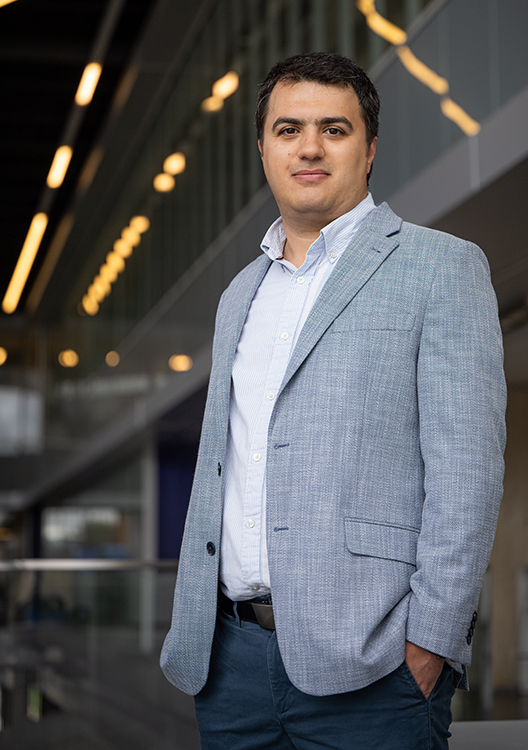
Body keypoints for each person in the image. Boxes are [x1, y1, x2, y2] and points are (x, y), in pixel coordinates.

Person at [160, 51, 506, 750]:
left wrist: (430, 645)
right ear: (263, 148)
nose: (309, 147)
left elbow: (467, 475)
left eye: (334, 129)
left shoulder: (442, 267)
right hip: (229, 666)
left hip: (376, 670)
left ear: (370, 149)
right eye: (288, 130)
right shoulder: (239, 296)